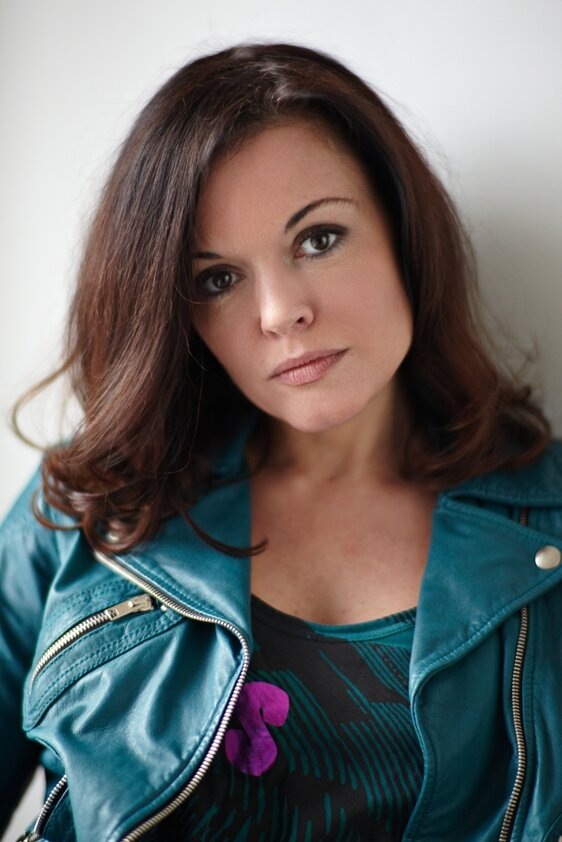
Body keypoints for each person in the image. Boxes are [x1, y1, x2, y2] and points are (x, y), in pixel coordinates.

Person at [1, 41, 562, 842]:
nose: (280, 312)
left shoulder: (550, 523)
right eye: (217, 280)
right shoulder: (87, 508)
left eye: (319, 239)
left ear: (403, 231)